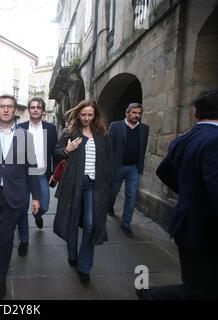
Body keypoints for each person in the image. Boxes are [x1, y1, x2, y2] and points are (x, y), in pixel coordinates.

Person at [137, 89, 218, 300]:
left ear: (196, 113)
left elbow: (164, 171)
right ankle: (150, 295)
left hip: (188, 225)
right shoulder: (214, 139)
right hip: (205, 231)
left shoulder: (183, 139)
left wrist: (189, 193)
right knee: (198, 291)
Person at [0, 94, 41, 300]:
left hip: (15, 194)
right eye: (1, 106)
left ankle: (1, 278)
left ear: (15, 110)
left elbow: (32, 168)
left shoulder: (25, 136)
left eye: (9, 106)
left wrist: (36, 196)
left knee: (7, 238)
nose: (5, 110)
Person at [53, 100, 111, 285]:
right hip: (74, 183)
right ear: (78, 114)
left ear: (95, 116)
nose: (86, 118)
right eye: (83, 114)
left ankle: (84, 266)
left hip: (95, 185)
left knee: (90, 225)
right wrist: (67, 149)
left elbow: (107, 159)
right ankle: (72, 253)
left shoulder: (101, 134)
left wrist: (108, 181)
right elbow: (56, 153)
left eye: (90, 115)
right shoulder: (70, 132)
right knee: (71, 219)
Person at [16, 97, 58, 257]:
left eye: (39, 107)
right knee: (21, 210)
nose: (35, 109)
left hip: (41, 174)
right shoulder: (19, 128)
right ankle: (24, 240)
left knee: (45, 205)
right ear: (29, 109)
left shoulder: (51, 128)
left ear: (42, 110)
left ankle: (38, 215)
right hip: (23, 176)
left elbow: (54, 152)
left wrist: (54, 173)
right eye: (32, 107)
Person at [108, 103, 149, 238]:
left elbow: (142, 149)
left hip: (133, 168)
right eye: (134, 113)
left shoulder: (144, 129)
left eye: (139, 113)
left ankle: (126, 224)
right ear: (127, 113)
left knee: (131, 197)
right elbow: (109, 146)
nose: (136, 115)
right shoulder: (115, 126)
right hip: (117, 166)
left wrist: (139, 166)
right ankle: (110, 206)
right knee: (113, 191)